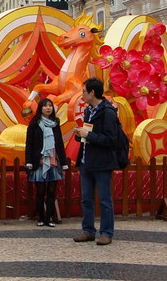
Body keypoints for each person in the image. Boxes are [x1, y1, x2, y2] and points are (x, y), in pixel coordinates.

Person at [73, 78, 122, 246]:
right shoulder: (89, 111)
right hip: (87, 160)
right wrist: (81, 134)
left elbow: (111, 139)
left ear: (93, 92)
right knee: (86, 199)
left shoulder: (108, 112)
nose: (82, 95)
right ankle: (88, 230)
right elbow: (89, 133)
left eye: (84, 91)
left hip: (102, 162)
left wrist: (89, 136)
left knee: (104, 199)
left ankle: (107, 232)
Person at [24, 98, 68, 227]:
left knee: (52, 192)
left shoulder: (55, 123)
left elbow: (59, 142)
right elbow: (29, 144)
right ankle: (41, 218)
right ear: (40, 108)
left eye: (50, 106)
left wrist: (63, 161)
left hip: (53, 160)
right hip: (40, 161)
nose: (48, 108)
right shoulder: (34, 123)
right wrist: (29, 161)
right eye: (45, 106)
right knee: (40, 191)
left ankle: (49, 218)